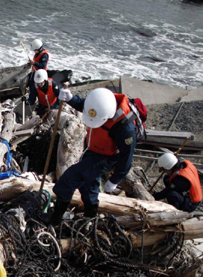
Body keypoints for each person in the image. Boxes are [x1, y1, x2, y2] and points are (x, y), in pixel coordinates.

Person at [49, 87, 139, 223]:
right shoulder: (102, 101)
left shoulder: (125, 128)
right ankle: (90, 217)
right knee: (88, 186)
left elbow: (127, 158)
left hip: (104, 157)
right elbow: (86, 106)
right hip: (92, 149)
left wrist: (115, 180)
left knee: (67, 180)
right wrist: (71, 99)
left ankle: (55, 219)